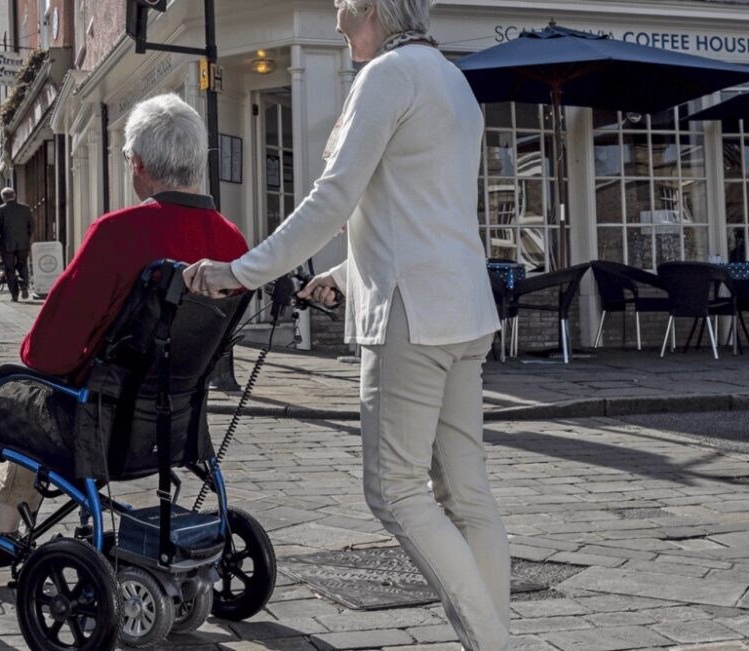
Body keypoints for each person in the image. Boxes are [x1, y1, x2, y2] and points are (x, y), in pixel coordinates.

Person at [182, 2, 509, 649]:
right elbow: (417, 210)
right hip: (464, 307)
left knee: (395, 491)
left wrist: (238, 272)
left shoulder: (387, 77)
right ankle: (494, 639)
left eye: (343, 7)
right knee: (466, 495)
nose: (335, 21)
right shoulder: (451, 80)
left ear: (373, 9)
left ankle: (495, 643)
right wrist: (347, 270)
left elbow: (334, 199)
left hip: (412, 313)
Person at [0, 93, 248, 567]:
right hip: (172, 422)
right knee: (46, 385)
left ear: (137, 163)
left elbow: (45, 352)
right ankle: (1, 519)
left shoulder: (120, 232)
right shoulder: (231, 240)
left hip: (91, 424)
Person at [0, 187, 33, 302]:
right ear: (14, 196)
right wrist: (27, 237)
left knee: (9, 269)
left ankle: (14, 295)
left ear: (3, 198)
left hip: (6, 244)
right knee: (22, 264)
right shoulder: (25, 209)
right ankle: (24, 284)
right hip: (22, 243)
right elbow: (31, 225)